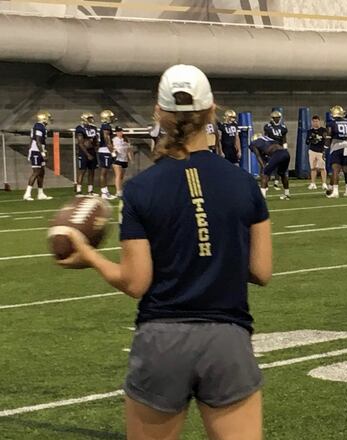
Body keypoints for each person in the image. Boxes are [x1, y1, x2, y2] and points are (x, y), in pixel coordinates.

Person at [57, 64, 272, 440]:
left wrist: (87, 254)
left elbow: (136, 282)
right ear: (212, 111)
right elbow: (262, 270)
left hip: (162, 339)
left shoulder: (141, 189)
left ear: (158, 112)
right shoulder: (244, 183)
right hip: (228, 337)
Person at [326, 105, 347, 198]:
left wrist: (325, 148)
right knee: (346, 169)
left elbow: (329, 137)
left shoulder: (332, 124)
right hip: (346, 146)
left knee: (335, 170)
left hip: (336, 146)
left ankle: (335, 191)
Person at [22, 111, 54, 201]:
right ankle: (27, 194)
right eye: (47, 118)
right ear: (44, 118)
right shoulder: (39, 126)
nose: (49, 120)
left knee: (41, 173)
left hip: (38, 150)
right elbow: (38, 141)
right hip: (36, 151)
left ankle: (40, 193)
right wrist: (42, 153)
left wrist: (44, 151)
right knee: (36, 172)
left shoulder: (42, 127)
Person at [249, 134, 291, 200]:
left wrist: (263, 167)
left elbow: (258, 156)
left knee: (264, 173)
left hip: (277, 154)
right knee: (282, 174)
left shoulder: (254, 143)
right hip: (286, 153)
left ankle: (262, 197)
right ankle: (287, 194)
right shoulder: (268, 139)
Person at [75, 112, 99, 197]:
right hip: (84, 151)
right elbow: (81, 143)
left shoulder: (94, 128)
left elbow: (95, 140)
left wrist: (96, 147)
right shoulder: (80, 128)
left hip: (92, 150)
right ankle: (79, 191)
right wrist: (87, 154)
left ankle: (90, 190)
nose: (91, 120)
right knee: (82, 171)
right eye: (89, 118)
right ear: (85, 119)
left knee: (92, 171)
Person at [98, 110, 118, 200]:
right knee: (104, 172)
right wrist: (112, 152)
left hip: (104, 150)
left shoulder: (105, 126)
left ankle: (105, 191)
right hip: (105, 150)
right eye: (110, 117)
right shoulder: (106, 127)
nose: (112, 118)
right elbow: (107, 140)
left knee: (105, 172)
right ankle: (104, 192)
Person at [306, 115, 328, 190]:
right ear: (312, 122)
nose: (315, 123)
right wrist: (311, 139)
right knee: (313, 168)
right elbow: (307, 142)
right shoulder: (310, 131)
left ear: (319, 121)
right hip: (312, 150)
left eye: (317, 121)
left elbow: (325, 139)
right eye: (314, 121)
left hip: (320, 151)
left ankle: (324, 183)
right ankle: (313, 183)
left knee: (322, 168)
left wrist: (319, 139)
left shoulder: (323, 130)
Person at [112, 126, 134, 198]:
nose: (120, 133)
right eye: (118, 131)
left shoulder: (126, 139)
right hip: (117, 159)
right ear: (116, 132)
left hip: (124, 159)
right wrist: (114, 153)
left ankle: (120, 190)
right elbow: (112, 149)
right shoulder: (114, 139)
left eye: (120, 131)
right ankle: (118, 192)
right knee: (118, 175)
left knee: (121, 176)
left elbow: (128, 150)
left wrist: (131, 159)